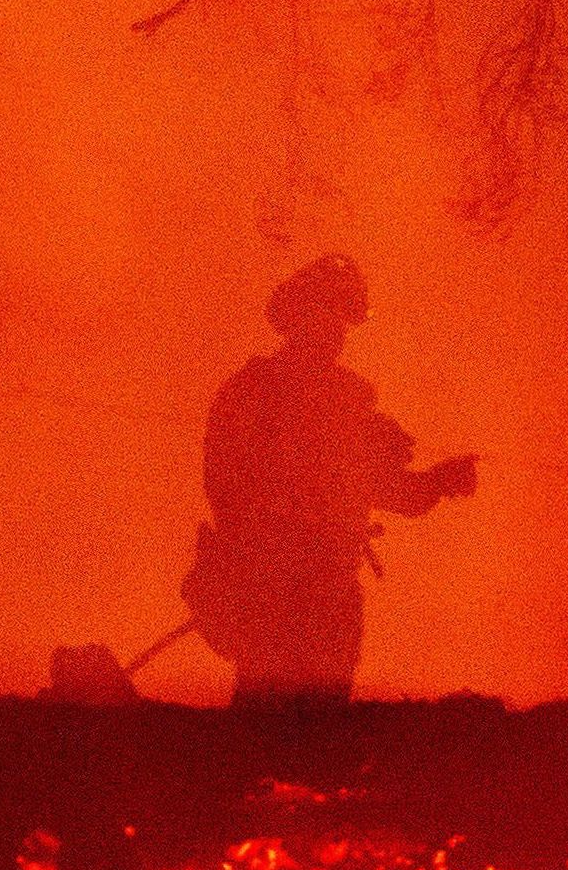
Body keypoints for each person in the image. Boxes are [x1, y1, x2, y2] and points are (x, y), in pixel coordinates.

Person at [185, 253, 475, 706]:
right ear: (297, 319)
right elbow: (225, 484)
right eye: (325, 317)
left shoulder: (331, 399)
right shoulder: (262, 393)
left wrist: (436, 481)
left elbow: (385, 487)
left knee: (305, 718)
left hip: (308, 593)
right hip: (281, 592)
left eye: (341, 320)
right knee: (276, 718)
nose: (335, 332)